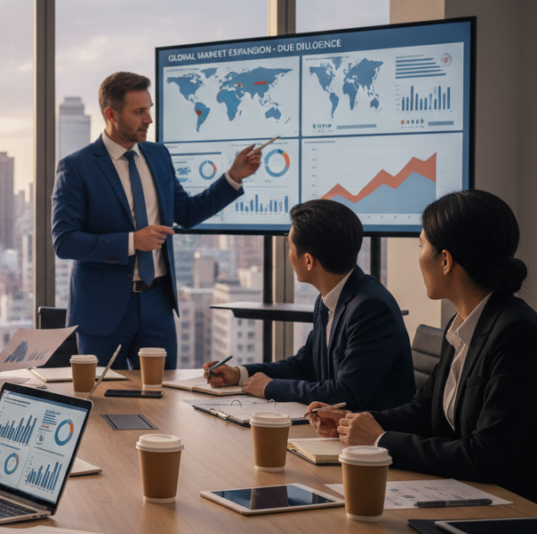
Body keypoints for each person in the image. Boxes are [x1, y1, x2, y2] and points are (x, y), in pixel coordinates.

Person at [308, 189, 537, 502]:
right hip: (465, 494)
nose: (419, 256)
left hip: (508, 512)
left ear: (445, 261)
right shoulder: (462, 325)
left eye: (421, 245)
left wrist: (381, 439)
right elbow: (424, 411)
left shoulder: (516, 332)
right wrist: (354, 423)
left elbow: (486, 456)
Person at [51, 71, 261, 370]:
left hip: (157, 304)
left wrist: (233, 178)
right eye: (139, 112)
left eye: (149, 109)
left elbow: (186, 212)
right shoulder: (76, 167)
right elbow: (65, 241)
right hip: (102, 309)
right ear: (111, 114)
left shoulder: (158, 155)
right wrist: (132, 241)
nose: (149, 119)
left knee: (162, 397)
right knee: (102, 402)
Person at [202, 199, 415, 411]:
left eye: (290, 248)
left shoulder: (370, 308)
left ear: (308, 261)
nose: (288, 255)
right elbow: (305, 364)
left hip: (372, 439)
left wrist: (270, 387)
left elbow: (346, 394)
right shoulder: (331, 296)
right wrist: (240, 374)